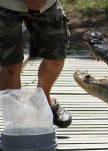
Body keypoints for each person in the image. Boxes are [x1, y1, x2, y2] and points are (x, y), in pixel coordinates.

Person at [0, 0, 72, 128]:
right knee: (11, 66)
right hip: (5, 5)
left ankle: (43, 101)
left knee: (56, 58)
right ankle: (15, 123)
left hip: (47, 5)